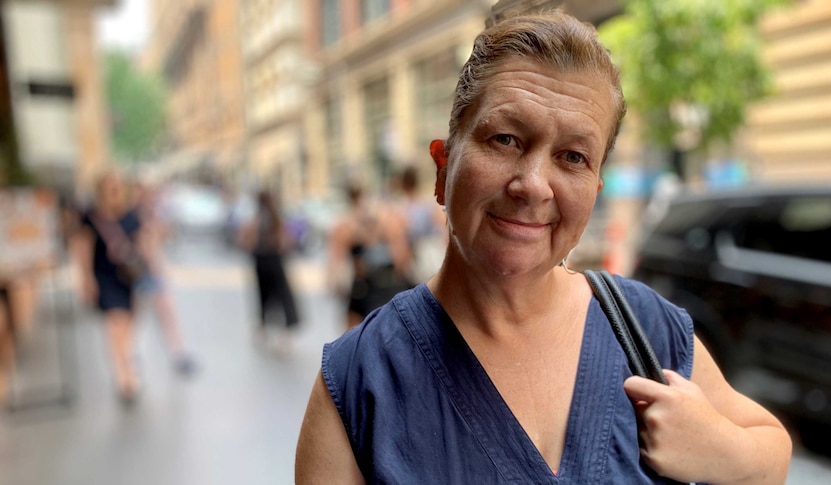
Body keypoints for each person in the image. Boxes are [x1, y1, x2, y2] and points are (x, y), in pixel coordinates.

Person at [295, 11, 792, 484]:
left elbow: (773, 450)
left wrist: (719, 448)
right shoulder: (360, 382)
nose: (533, 185)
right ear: (443, 168)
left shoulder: (648, 331)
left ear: (594, 192)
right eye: (506, 139)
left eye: (573, 157)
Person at [72, 170, 143, 404]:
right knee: (115, 324)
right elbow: (82, 249)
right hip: (104, 277)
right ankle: (123, 375)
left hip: (128, 279)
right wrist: (86, 279)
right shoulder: (91, 218)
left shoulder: (131, 216)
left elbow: (143, 246)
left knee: (128, 326)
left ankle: (127, 364)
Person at [325, 180, 412, 330]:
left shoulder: (346, 223)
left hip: (361, 287)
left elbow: (336, 258)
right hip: (387, 285)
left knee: (354, 338)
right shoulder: (387, 219)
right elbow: (401, 257)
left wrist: (335, 283)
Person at [131, 181, 197, 376]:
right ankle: (136, 354)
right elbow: (145, 247)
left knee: (164, 314)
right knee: (140, 316)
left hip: (154, 272)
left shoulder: (152, 216)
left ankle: (176, 353)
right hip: (144, 273)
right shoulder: (134, 219)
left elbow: (163, 238)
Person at [237, 190, 300, 347]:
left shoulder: (258, 218)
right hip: (273, 260)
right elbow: (286, 240)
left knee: (263, 296)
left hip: (261, 260)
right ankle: (282, 331)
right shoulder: (274, 218)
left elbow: (246, 239)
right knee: (282, 296)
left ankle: (263, 327)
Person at [394, 165, 448, 286]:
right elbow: (445, 233)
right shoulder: (430, 205)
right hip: (435, 262)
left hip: (415, 268)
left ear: (402, 184)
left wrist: (400, 270)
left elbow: (400, 244)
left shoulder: (400, 210)